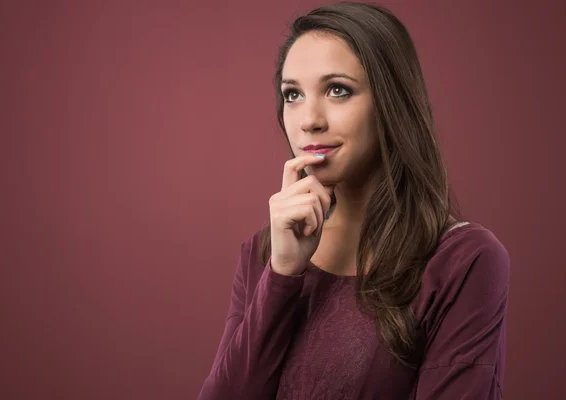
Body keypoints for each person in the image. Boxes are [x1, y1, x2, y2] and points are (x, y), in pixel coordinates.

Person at [198, 2, 510, 399]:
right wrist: (282, 275)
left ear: (390, 102)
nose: (309, 119)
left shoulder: (464, 261)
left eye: (337, 90)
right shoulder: (265, 252)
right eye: (292, 94)